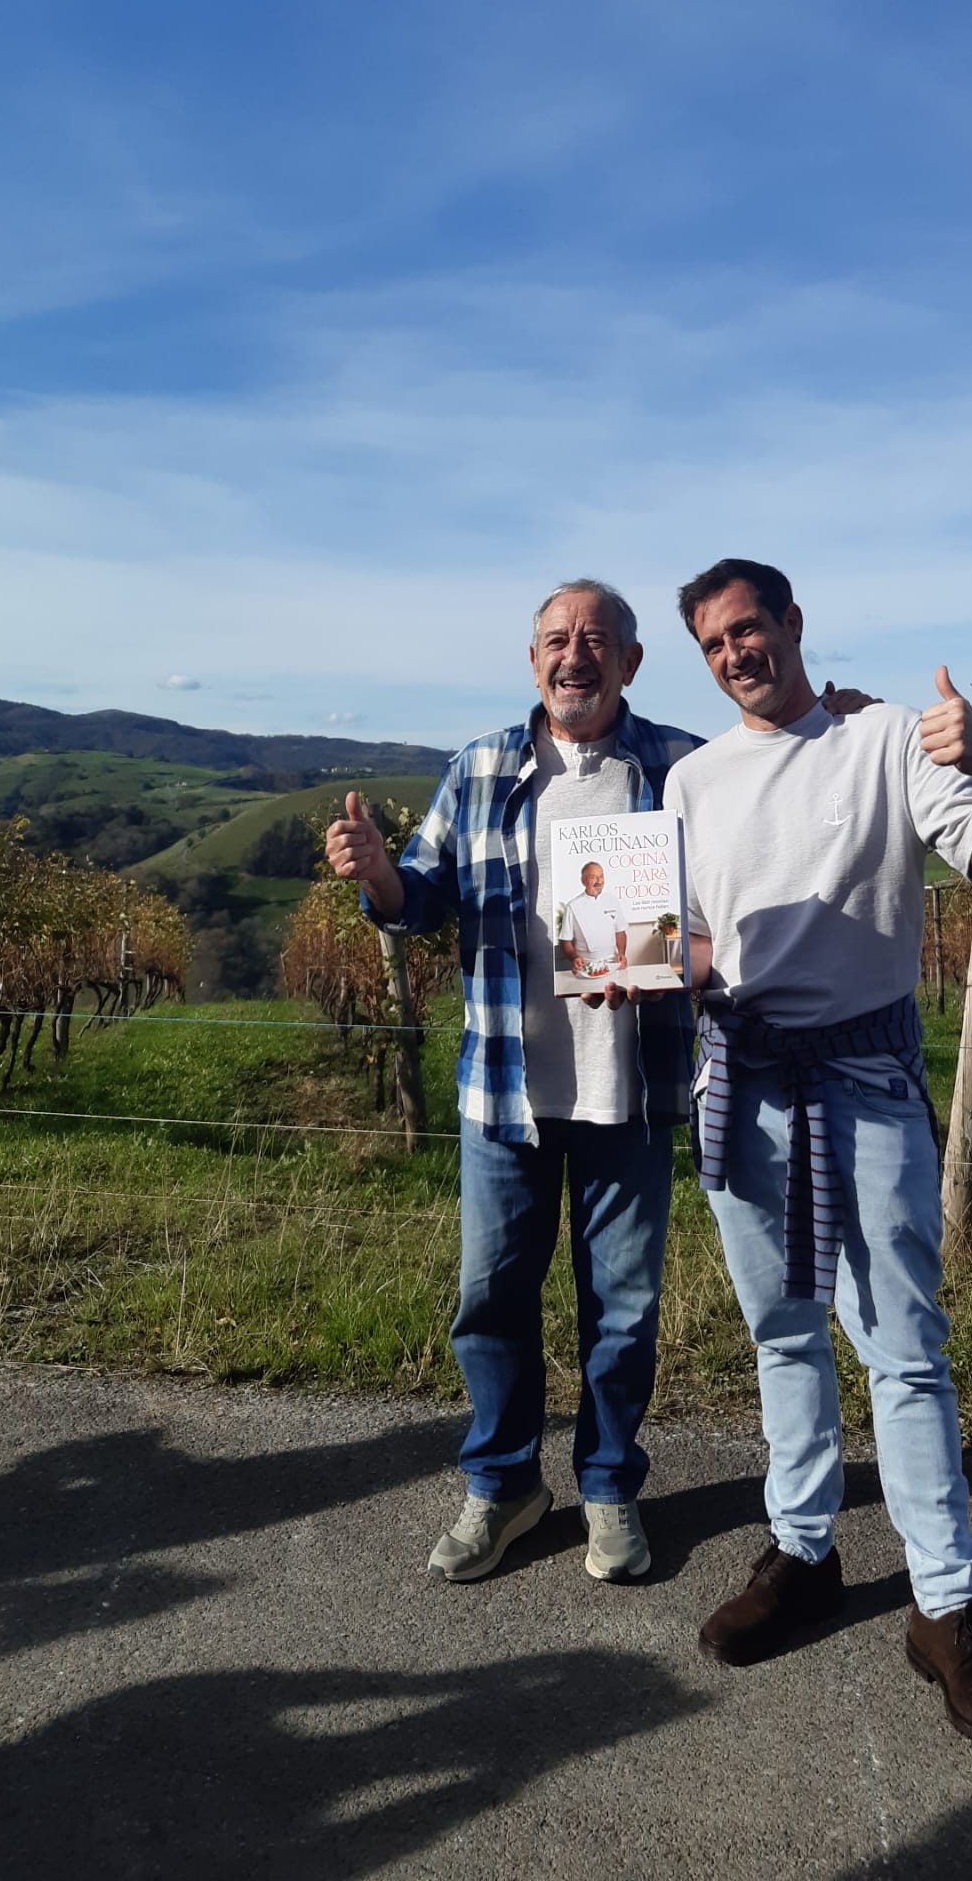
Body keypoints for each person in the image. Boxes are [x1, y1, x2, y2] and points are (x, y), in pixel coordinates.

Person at [663, 558, 972, 1752]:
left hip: (864, 1085)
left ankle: (946, 1604)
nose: (734, 654)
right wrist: (657, 961)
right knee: (782, 1331)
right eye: (713, 643)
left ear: (792, 625)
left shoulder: (882, 744)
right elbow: (686, 934)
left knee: (905, 1350)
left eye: (749, 629)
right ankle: (807, 1550)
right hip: (742, 1084)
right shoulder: (690, 778)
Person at [325, 580, 697, 1586]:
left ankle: (611, 1487)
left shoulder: (682, 765)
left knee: (622, 1308)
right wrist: (376, 874)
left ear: (630, 658)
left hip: (630, 1088)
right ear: (531, 657)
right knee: (490, 1300)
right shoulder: (481, 763)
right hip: (507, 1091)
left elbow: (728, 895)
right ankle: (504, 1485)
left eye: (595, 640)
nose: (573, 656)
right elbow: (420, 895)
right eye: (554, 640)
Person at [560, 863, 626, 979]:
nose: (599, 881)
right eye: (593, 877)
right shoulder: (572, 906)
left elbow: (620, 931)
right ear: (583, 881)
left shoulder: (612, 900)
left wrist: (621, 953)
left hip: (612, 963)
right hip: (585, 966)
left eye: (601, 876)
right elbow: (566, 941)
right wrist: (575, 958)